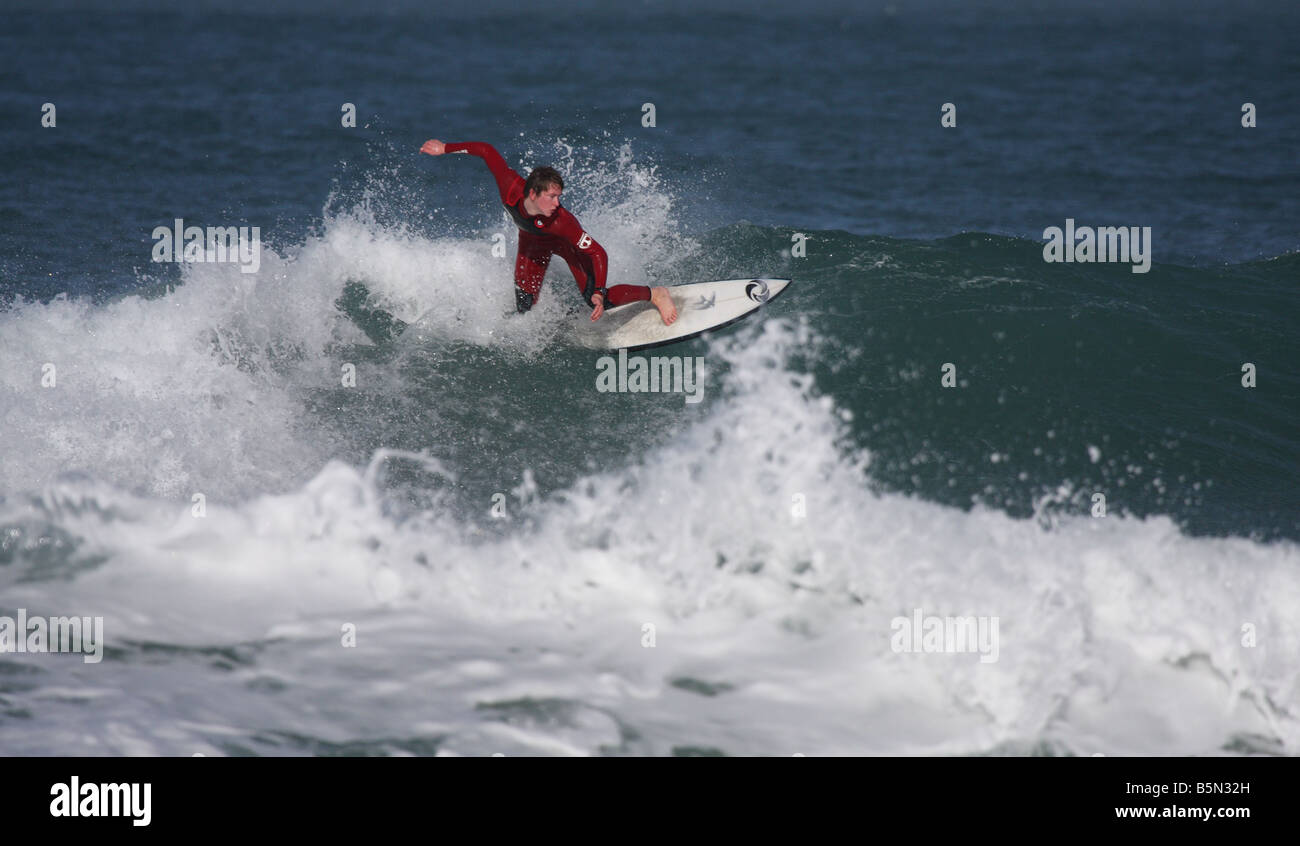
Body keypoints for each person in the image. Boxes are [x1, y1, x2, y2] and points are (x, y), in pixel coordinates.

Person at [420, 139, 677, 325]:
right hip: (532, 244)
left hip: (564, 245)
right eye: (552, 197)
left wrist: (598, 290)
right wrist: (445, 148)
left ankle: (655, 293)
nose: (557, 203)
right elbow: (486, 150)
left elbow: (598, 253)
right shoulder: (510, 187)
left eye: (559, 197)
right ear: (533, 194)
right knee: (524, 306)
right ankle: (560, 322)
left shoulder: (563, 222)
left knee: (597, 299)